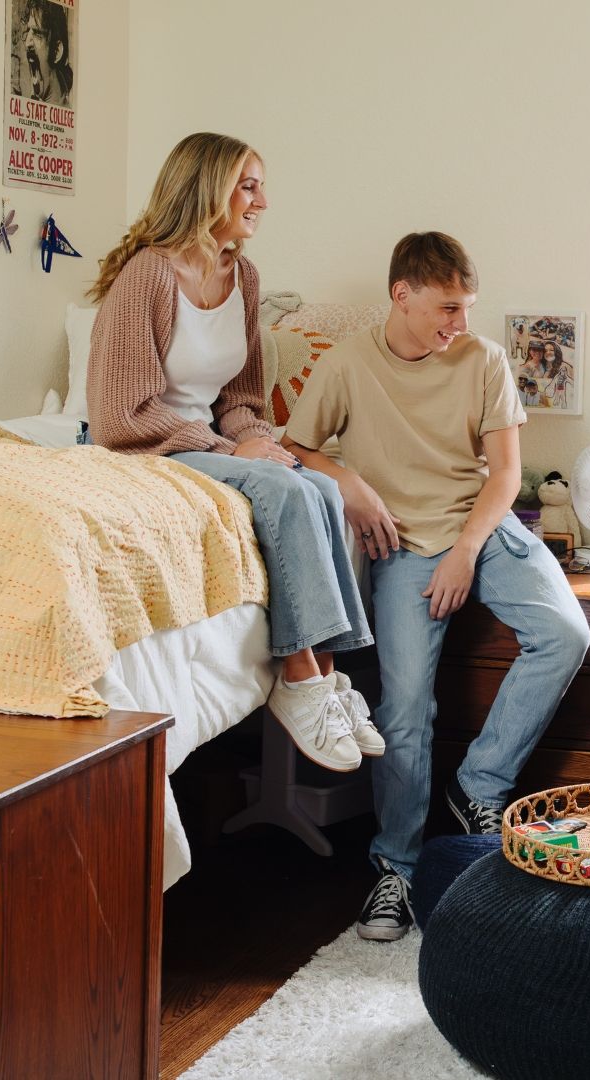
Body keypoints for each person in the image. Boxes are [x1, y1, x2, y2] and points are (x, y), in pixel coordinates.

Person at [282, 231, 590, 942]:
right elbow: (297, 449)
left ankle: (478, 786)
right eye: (448, 308)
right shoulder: (349, 364)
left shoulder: (483, 361)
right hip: (403, 543)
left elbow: (507, 476)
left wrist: (467, 551)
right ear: (403, 295)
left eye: (467, 308)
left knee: (566, 633)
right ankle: (396, 869)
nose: (461, 324)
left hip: (482, 528)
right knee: (406, 710)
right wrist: (349, 480)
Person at [87, 131, 379, 773]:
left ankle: (327, 677)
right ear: (208, 190)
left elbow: (242, 398)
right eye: (248, 186)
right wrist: (228, 447)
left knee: (319, 486)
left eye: (260, 186)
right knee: (278, 488)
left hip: (209, 442)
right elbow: (120, 417)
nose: (262, 201)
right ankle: (298, 675)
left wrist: (249, 437)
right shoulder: (148, 277)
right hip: (149, 447)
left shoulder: (241, 275)